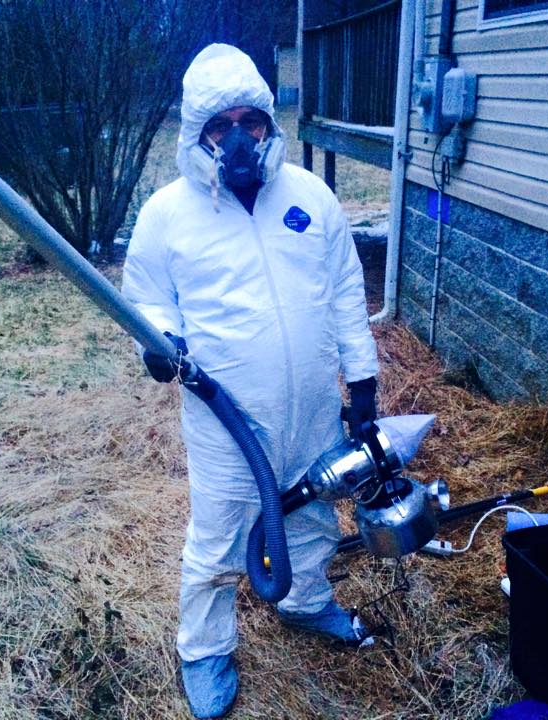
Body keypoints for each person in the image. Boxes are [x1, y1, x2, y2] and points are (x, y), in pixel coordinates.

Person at [122, 43, 379, 719]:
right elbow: (148, 302)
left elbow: (347, 296)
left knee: (315, 515)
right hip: (226, 421)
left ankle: (304, 601)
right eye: (220, 125)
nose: (239, 138)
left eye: (252, 121)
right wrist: (158, 344)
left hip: (315, 409)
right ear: (198, 135)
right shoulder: (167, 215)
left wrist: (365, 388)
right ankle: (204, 651)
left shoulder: (312, 199)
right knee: (218, 539)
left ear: (269, 124)